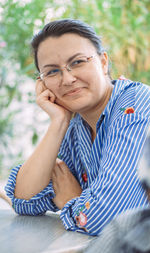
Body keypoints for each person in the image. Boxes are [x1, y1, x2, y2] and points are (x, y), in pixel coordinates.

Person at [5, 19, 150, 236]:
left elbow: (109, 218)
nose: (68, 79)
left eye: (78, 62)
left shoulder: (134, 106)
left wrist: (71, 200)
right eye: (52, 72)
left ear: (103, 62)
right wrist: (58, 122)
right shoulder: (76, 127)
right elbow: (25, 199)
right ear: (43, 83)